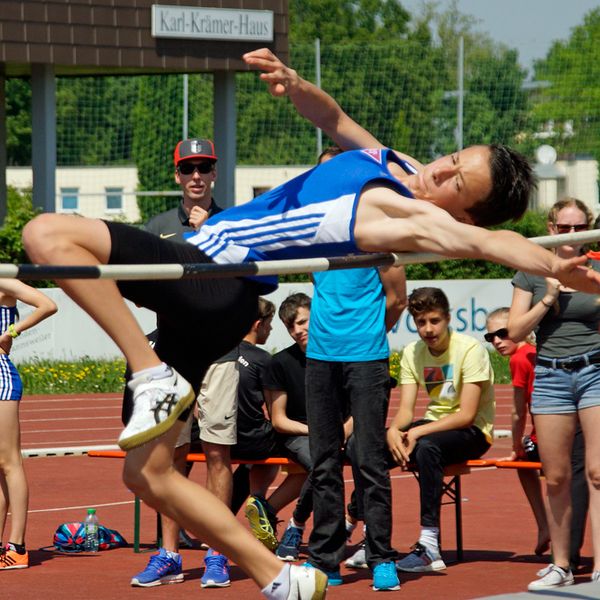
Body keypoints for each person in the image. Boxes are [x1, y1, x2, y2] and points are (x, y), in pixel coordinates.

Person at [21, 48, 600, 599]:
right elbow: (335, 117)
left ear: (461, 208)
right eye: (452, 159)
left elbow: (488, 241)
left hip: (215, 277)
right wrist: (297, 86)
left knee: (47, 234)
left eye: (455, 182)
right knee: (145, 476)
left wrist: (559, 266)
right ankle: (277, 575)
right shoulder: (397, 166)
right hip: (212, 290)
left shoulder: (405, 216)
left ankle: (152, 374)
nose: (439, 171)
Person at [129, 138, 240, 588]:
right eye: (188, 168)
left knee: (217, 453)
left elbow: (246, 279)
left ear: (215, 174)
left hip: (221, 351)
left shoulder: (233, 222)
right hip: (172, 354)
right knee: (168, 457)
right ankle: (169, 554)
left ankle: (216, 552)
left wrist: (212, 231)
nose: (197, 175)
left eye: (204, 167)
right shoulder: (156, 227)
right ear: (177, 176)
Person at [508, 197, 600, 591]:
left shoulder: (597, 267)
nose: (571, 235)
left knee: (598, 473)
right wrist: (548, 297)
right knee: (558, 475)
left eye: (579, 228)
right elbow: (513, 332)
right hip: (550, 375)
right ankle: (561, 563)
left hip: (596, 368)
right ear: (550, 229)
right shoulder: (531, 269)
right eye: (564, 228)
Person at [387, 287, 494, 572]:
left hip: (473, 432)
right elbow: (406, 411)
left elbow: (467, 415)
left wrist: (418, 432)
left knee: (427, 448)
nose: (428, 329)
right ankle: (368, 537)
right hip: (433, 425)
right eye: (421, 322)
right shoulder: (412, 352)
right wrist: (393, 432)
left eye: (434, 321)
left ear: (448, 318)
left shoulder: (470, 349)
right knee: (372, 446)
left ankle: (429, 544)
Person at [0, 281, 57, 570]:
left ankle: (17, 546)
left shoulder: (2, 279)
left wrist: (10, 332)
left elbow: (48, 304)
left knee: (9, 462)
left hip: (0, 379)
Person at [485, 308, 550, 556]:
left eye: (502, 333)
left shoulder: (520, 358)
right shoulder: (535, 353)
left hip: (545, 438)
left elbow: (517, 411)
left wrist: (516, 447)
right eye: (490, 337)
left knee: (522, 461)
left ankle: (545, 526)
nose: (497, 341)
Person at [260, 292, 313, 561]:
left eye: (303, 322)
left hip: (339, 431)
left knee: (372, 458)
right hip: (297, 434)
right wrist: (317, 432)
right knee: (322, 462)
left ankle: (358, 530)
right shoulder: (279, 363)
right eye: (291, 326)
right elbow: (279, 421)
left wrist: (342, 431)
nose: (297, 331)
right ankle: (296, 527)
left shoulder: (340, 355)